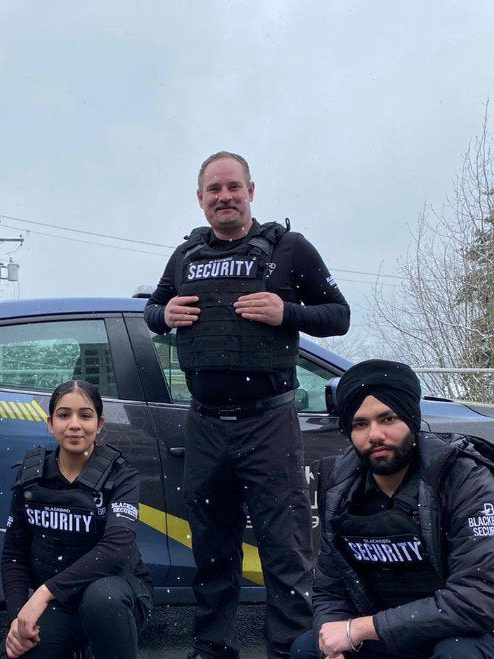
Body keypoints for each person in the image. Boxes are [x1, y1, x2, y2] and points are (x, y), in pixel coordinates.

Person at [144, 151, 350, 659]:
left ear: (251, 191)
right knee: (213, 547)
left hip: (269, 422)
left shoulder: (291, 250)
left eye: (233, 187)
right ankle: (212, 646)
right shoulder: (186, 256)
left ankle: (289, 648)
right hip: (206, 425)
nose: (224, 197)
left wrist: (287, 312)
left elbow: (339, 316)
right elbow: (153, 310)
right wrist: (163, 311)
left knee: (285, 547)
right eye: (213, 190)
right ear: (200, 199)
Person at [291, 359, 494, 659]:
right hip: (398, 628)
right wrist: (336, 640)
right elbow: (331, 589)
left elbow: (482, 598)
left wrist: (359, 629)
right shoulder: (340, 488)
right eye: (360, 424)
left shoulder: (463, 480)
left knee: (457, 655)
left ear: (411, 420)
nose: (374, 435)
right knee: (309, 650)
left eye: (387, 419)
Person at [0, 380, 154, 659]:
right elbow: (13, 555)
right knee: (19, 652)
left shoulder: (122, 476)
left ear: (100, 424)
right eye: (63, 415)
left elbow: (116, 551)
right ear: (50, 423)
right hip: (60, 602)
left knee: (101, 599)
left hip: (117, 593)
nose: (74, 424)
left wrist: (44, 593)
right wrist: (18, 618)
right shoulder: (30, 474)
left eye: (85, 415)